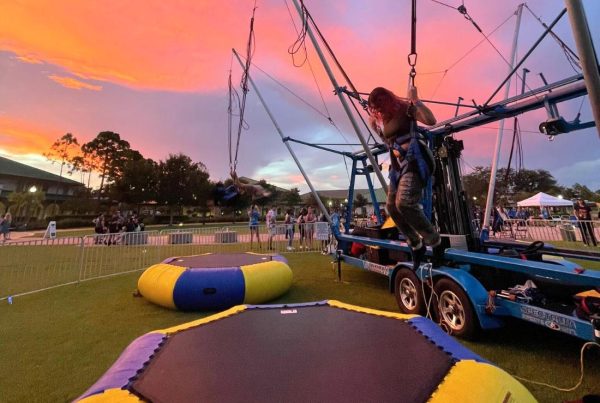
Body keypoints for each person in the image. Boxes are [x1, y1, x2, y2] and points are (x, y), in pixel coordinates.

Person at [368, 85, 440, 269]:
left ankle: (435, 242)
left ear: (387, 101)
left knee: (405, 203)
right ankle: (416, 244)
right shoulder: (386, 119)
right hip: (399, 166)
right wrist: (376, 128)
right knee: (392, 208)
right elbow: (389, 142)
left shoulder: (405, 109)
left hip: (415, 160)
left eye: (379, 106)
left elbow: (431, 120)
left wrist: (417, 102)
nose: (378, 111)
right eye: (375, 109)